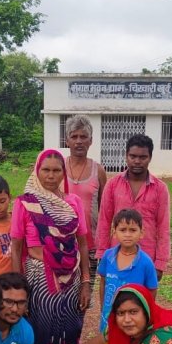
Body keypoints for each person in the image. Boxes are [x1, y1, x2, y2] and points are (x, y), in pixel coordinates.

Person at [11, 149, 91, 344]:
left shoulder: (73, 203)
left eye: (57, 170)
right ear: (37, 171)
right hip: (38, 280)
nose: (51, 175)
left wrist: (86, 282)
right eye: (46, 170)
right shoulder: (25, 203)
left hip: (71, 280)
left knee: (69, 331)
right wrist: (18, 290)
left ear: (63, 173)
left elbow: (83, 243)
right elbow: (16, 248)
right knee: (38, 334)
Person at [96, 134, 171, 279]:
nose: (137, 161)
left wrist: (160, 263)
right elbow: (104, 220)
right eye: (133, 156)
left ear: (150, 158)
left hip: (146, 257)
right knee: (115, 292)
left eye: (143, 157)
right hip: (116, 256)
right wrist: (102, 254)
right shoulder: (113, 185)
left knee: (141, 293)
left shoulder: (160, 189)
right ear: (126, 156)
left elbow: (163, 227)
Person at [96, 208, 159, 334]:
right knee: (108, 339)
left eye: (133, 230)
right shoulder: (108, 256)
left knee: (128, 341)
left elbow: (152, 291)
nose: (128, 234)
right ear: (114, 232)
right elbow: (103, 282)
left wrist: (144, 314)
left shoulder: (146, 262)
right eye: (123, 230)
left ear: (141, 233)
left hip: (131, 318)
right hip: (109, 313)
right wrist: (103, 307)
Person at [63, 115, 107, 275]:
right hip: (61, 244)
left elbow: (104, 210)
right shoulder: (58, 168)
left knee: (86, 287)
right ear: (67, 141)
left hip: (90, 245)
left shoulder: (98, 171)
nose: (79, 141)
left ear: (91, 141)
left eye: (83, 137)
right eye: (74, 136)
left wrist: (103, 244)